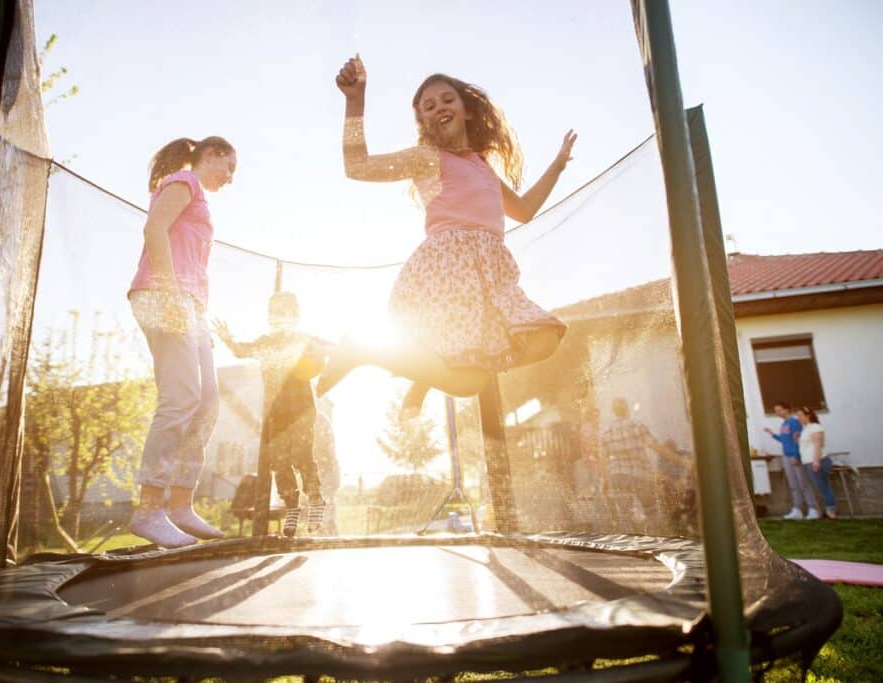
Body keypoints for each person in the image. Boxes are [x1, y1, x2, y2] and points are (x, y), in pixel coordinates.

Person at [317, 56, 572, 411]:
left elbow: (524, 211)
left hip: (491, 275)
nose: (439, 108)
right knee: (469, 376)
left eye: (447, 100)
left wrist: (557, 166)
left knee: (534, 344)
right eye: (429, 107)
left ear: (466, 110)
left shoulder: (481, 166)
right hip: (448, 270)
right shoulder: (427, 158)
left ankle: (422, 376)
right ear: (424, 122)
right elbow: (357, 167)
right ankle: (364, 351)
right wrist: (354, 102)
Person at [127, 136, 236, 548]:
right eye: (228, 166)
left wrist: (195, 311)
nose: (229, 177)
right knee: (180, 397)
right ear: (210, 154)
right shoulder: (184, 181)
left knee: (207, 402)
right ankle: (149, 508)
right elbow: (154, 228)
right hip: (163, 294)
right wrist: (171, 293)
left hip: (192, 304)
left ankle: (178, 503)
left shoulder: (197, 195)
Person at [213, 292, 331, 537]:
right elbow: (241, 351)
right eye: (274, 313)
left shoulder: (304, 339)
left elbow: (329, 348)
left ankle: (316, 499)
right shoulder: (265, 343)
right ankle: (292, 508)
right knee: (279, 462)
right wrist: (228, 339)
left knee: (301, 456)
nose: (277, 318)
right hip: (276, 413)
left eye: (283, 313)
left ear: (294, 316)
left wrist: (342, 349)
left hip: (300, 409)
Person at [600, 398, 659, 531]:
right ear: (627, 409)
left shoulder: (606, 431)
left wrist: (604, 481)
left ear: (613, 411)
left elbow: (603, 459)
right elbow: (655, 446)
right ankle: (654, 536)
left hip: (617, 475)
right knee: (650, 510)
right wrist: (680, 460)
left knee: (625, 515)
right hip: (639, 473)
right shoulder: (637, 425)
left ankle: (631, 543)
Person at [764, 401, 819, 520]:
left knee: (803, 483)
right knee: (793, 484)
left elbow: (798, 440)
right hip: (786, 456)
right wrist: (772, 434)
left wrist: (796, 455)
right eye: (776, 411)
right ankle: (797, 509)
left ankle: (813, 509)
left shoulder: (794, 422)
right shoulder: (784, 424)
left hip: (795, 457)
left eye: (779, 410)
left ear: (787, 409)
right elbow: (784, 440)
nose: (777, 413)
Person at [796, 406, 837, 520]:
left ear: (808, 416)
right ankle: (828, 511)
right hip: (810, 462)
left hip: (817, 461)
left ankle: (831, 512)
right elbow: (807, 445)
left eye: (800, 415)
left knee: (824, 487)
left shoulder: (815, 427)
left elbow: (818, 444)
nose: (798, 418)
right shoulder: (806, 428)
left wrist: (816, 461)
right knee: (822, 487)